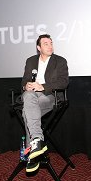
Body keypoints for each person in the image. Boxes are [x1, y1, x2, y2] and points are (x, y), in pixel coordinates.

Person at [20, 34, 69, 173]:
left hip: (50, 95)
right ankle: (37, 141)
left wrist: (43, 86)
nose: (50, 46)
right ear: (38, 47)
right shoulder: (30, 61)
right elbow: (23, 81)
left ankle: (33, 152)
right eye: (46, 44)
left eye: (51, 43)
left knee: (26, 111)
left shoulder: (60, 61)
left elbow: (64, 82)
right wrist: (26, 86)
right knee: (28, 95)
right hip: (32, 96)